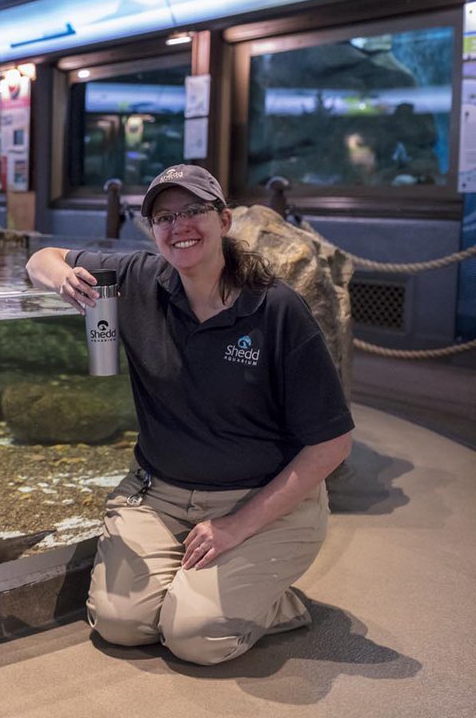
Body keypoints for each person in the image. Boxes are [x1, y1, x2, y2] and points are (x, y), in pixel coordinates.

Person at [26, 164, 353, 666]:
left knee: (195, 639)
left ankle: (273, 602)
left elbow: (332, 445)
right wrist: (65, 279)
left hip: (260, 501)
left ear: (224, 220)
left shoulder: (277, 310)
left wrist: (237, 525)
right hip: (159, 495)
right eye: (164, 216)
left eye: (194, 211)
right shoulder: (136, 279)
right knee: (122, 626)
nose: (179, 226)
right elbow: (40, 257)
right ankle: (200, 585)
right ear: (152, 231)